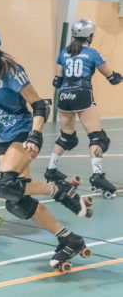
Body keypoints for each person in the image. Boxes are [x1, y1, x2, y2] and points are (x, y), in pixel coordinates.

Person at [0, 23, 93, 270]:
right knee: (16, 200)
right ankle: (69, 239)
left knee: (3, 183)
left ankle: (58, 189)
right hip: (5, 137)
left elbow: (39, 106)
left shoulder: (11, 72)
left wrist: (35, 135)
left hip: (23, 133)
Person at [45, 19, 121, 199]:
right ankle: (97, 176)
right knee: (98, 138)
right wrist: (119, 77)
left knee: (67, 138)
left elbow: (57, 81)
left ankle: (51, 170)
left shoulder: (63, 53)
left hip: (63, 97)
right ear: (90, 36)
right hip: (82, 95)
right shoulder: (93, 53)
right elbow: (111, 77)